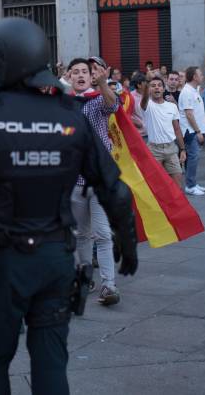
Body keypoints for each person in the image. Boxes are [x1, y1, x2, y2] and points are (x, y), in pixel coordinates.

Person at [0, 17, 138, 395]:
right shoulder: (69, 115)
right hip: (54, 259)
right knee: (50, 362)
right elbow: (113, 186)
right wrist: (126, 240)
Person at [67, 57, 121, 305]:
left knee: (102, 234)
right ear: (69, 77)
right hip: (74, 182)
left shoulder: (98, 100)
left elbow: (113, 106)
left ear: (91, 77)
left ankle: (108, 285)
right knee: (81, 235)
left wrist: (103, 85)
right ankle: (85, 278)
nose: (80, 75)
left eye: (84, 72)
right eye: (75, 72)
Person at [140, 76, 187, 186]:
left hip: (171, 149)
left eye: (159, 86)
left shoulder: (172, 106)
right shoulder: (147, 105)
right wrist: (147, 82)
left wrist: (183, 149)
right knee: (156, 186)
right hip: (154, 150)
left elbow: (177, 129)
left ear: (163, 88)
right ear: (149, 89)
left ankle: (175, 204)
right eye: (153, 86)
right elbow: (144, 100)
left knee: (177, 185)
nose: (157, 88)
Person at [179, 67, 205, 196]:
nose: (202, 76)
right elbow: (189, 114)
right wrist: (197, 131)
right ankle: (190, 186)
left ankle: (192, 183)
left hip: (195, 130)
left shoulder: (194, 91)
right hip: (190, 131)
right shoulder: (187, 92)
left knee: (193, 158)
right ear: (194, 77)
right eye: (200, 74)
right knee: (193, 158)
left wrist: (202, 130)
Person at [130, 73, 148, 140]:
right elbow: (126, 114)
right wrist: (136, 122)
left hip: (151, 134)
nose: (147, 84)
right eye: (145, 82)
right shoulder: (130, 97)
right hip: (139, 135)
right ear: (139, 85)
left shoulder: (151, 95)